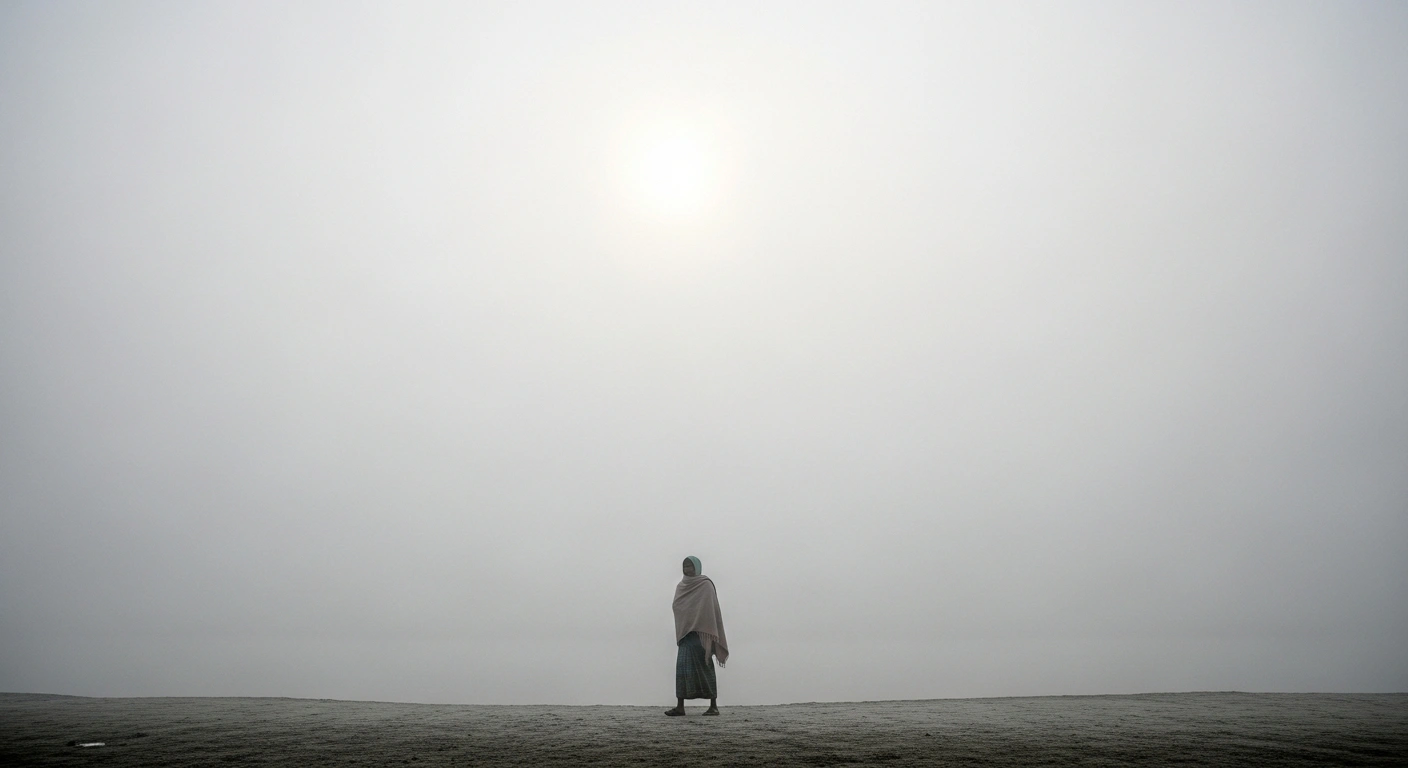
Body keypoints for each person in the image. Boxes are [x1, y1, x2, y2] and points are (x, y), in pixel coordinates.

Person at [666, 555, 728, 716]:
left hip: (702, 635)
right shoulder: (681, 586)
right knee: (682, 669)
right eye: (685, 566)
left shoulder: (705, 584)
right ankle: (680, 706)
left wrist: (699, 622)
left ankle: (713, 706)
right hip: (686, 634)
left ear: (697, 568)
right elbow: (677, 605)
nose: (687, 569)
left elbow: (709, 608)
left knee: (706, 667)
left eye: (690, 566)